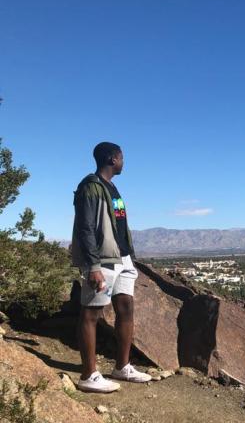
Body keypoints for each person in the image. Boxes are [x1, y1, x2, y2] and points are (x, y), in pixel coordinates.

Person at [71, 142, 151, 392]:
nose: (123, 162)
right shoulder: (90, 187)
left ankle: (122, 367)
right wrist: (93, 265)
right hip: (103, 260)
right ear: (111, 158)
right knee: (91, 314)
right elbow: (85, 227)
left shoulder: (112, 188)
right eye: (121, 157)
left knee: (126, 308)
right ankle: (88, 376)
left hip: (123, 258)